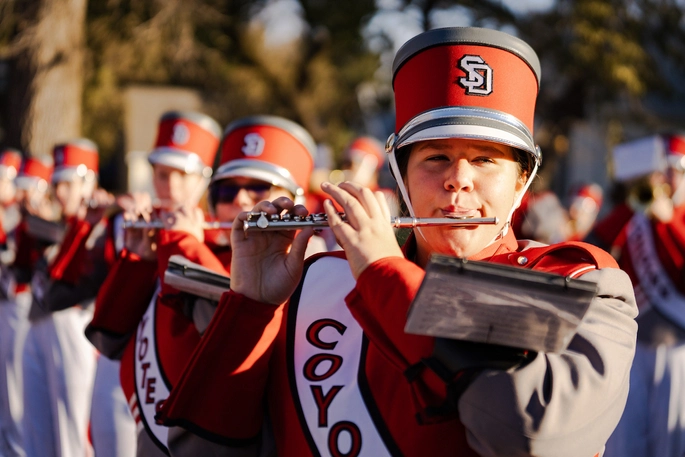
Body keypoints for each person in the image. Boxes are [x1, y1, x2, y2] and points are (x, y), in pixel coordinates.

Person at [155, 27, 637, 457]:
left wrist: (385, 274)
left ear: (521, 181)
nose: (458, 180)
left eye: (486, 160)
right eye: (435, 157)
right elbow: (200, 449)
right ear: (402, 177)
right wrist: (251, 309)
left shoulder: (580, 278)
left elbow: (534, 434)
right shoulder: (319, 281)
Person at [85, 110, 221, 457]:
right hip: (126, 382)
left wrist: (185, 242)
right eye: (162, 174)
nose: (171, 187)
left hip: (180, 399)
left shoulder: (221, 242)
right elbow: (106, 331)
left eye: (182, 176)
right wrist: (136, 259)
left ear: (203, 181)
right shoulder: (140, 226)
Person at [599, 135, 685, 457]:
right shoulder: (632, 219)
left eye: (676, 169)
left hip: (676, 350)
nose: (666, 179)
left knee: (670, 447)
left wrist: (670, 224)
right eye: (661, 170)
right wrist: (629, 208)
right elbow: (597, 245)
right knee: (625, 444)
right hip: (631, 350)